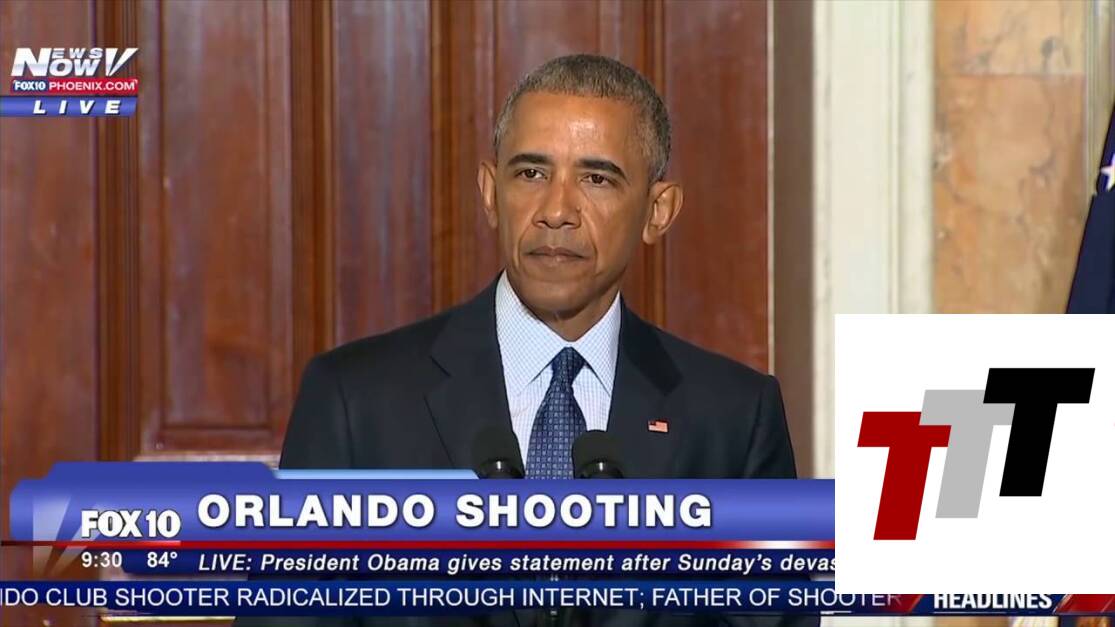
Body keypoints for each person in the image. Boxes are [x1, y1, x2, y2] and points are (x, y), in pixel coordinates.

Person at [248, 54, 807, 627]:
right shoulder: (356, 403)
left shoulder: (734, 421)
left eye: (596, 178)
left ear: (657, 212)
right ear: (491, 192)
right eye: (531, 174)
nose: (557, 212)